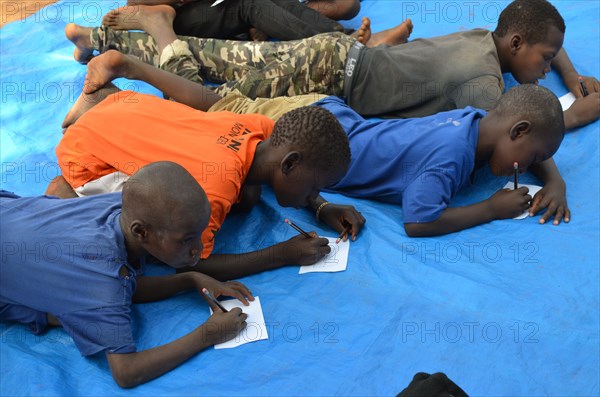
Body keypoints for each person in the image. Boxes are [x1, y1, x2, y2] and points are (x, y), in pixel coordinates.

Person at [74, 51, 570, 235]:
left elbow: (527, 135)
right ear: (517, 132)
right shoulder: (449, 160)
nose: (527, 168)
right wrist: (492, 210)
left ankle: (119, 100)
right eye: (534, 160)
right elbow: (419, 221)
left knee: (216, 114)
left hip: (333, 120)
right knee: (211, 104)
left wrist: (554, 177)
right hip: (302, 123)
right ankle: (125, 76)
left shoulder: (478, 121)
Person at [64, 0, 598, 130]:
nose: (547, 65)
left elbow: (544, 38)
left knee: (221, 56)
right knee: (206, 94)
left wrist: (571, 77)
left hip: (338, 57)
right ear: (518, 41)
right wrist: (581, 111)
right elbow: (517, 129)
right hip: (328, 74)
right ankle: (155, 31)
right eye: (545, 59)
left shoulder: (487, 37)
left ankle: (96, 36)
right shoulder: (484, 83)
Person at [50, 71, 365, 281]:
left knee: (249, 195)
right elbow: (189, 262)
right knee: (149, 226)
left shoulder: (262, 128)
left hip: (125, 107)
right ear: (289, 164)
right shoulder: (213, 189)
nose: (312, 193)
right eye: (313, 186)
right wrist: (281, 254)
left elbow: (277, 173)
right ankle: (64, 191)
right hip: (88, 158)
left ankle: (100, 102)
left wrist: (321, 206)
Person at [0, 161, 254, 388]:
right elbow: (126, 372)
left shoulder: (119, 205)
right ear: (141, 232)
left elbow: (122, 285)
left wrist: (189, 279)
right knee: (50, 311)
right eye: (187, 239)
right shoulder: (102, 280)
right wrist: (206, 335)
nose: (198, 249)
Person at [120, 0, 359, 42]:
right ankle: (340, 43)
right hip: (173, 19)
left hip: (211, 7)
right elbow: (135, 4)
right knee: (248, 4)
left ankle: (342, 35)